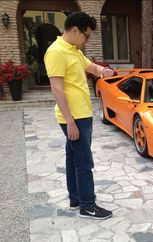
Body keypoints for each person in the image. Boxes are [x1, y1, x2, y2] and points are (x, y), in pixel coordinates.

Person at [44, 11, 114, 220]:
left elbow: (89, 66)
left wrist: (103, 71)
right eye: (87, 35)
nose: (87, 40)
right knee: (84, 162)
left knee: (73, 157)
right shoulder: (56, 52)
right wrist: (70, 122)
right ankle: (88, 206)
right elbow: (57, 89)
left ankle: (75, 198)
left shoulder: (73, 50)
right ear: (75, 30)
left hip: (81, 114)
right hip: (74, 118)